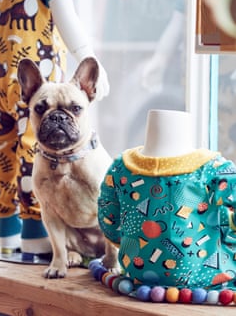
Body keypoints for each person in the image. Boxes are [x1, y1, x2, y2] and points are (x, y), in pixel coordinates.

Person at [0, 0, 109, 260]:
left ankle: (7, 231)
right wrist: (87, 57)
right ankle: (35, 235)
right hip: (34, 69)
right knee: (31, 149)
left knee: (2, 148)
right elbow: (66, 17)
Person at [98, 109, 236, 291]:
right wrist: (229, 237)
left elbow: (108, 219)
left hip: (137, 275)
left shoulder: (121, 167)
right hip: (204, 276)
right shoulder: (211, 168)